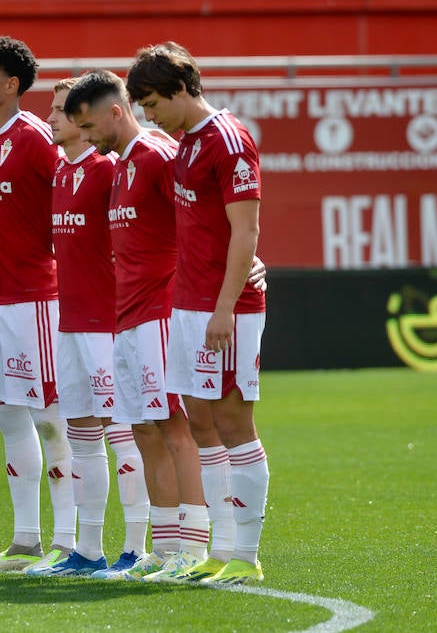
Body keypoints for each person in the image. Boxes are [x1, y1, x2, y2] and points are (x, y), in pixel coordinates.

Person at [65, 69, 266, 583]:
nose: (87, 140)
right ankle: (168, 544)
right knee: (143, 429)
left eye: (89, 128)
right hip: (130, 315)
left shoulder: (157, 155)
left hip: (164, 310)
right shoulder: (124, 163)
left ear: (116, 111)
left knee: (181, 426)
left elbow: (218, 220)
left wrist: (252, 264)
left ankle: (198, 547)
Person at [124, 42, 271, 587]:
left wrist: (226, 307)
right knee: (203, 424)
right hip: (187, 305)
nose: (150, 116)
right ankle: (221, 547)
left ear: (183, 89)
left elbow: (246, 228)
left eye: (154, 103)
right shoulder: (185, 145)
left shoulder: (230, 141)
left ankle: (247, 554)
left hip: (222, 309)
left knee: (234, 423)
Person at [0, 36, 76, 575]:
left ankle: (71, 542)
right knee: (8, 419)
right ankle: (26, 542)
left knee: (53, 421)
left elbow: (77, 202)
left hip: (35, 302)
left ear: (11, 85)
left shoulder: (36, 139)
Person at [27, 77, 138, 578]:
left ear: (83, 117)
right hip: (68, 322)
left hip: (108, 325)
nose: (49, 118)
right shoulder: (59, 173)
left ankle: (136, 547)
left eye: (58, 111)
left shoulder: (110, 170)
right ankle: (87, 549)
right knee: (81, 435)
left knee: (124, 436)